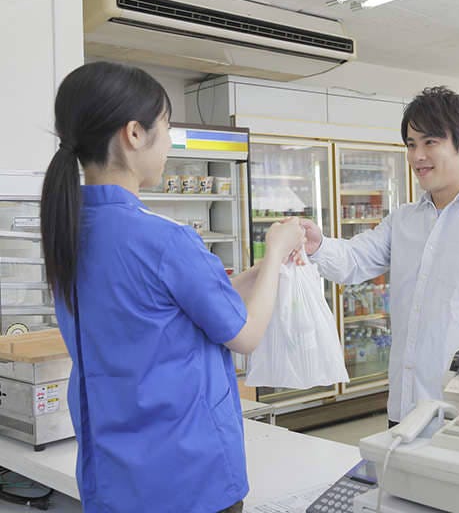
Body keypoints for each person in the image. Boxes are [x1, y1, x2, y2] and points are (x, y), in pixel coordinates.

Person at [40, 61, 304, 513]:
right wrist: (278, 251)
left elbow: (185, 303)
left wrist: (261, 270)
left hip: (112, 479)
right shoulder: (163, 239)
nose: (169, 144)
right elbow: (246, 334)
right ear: (134, 135)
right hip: (189, 481)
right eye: (165, 128)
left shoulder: (67, 233)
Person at [301, 86, 459, 426]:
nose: (417, 156)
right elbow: (354, 261)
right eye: (411, 145)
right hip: (404, 409)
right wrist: (317, 245)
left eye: (430, 142)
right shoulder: (404, 220)